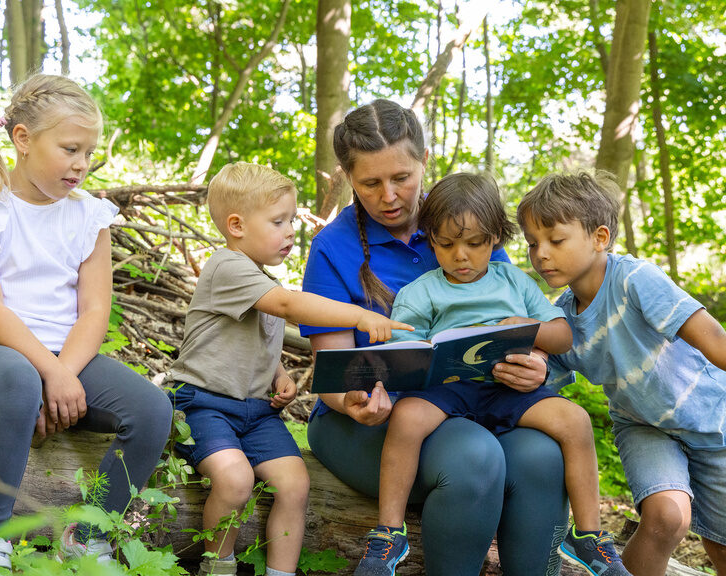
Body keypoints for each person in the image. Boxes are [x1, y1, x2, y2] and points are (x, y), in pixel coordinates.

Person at [300, 99, 570, 576]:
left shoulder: (465, 222)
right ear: (346, 178)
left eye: (401, 177)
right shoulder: (332, 249)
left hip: (479, 400)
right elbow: (333, 376)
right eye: (370, 183)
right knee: (473, 455)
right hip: (366, 422)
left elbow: (520, 322)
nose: (389, 196)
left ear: (424, 162)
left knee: (542, 456)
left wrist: (533, 366)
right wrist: (356, 401)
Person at [352, 172, 631, 576]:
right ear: (431, 239)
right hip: (447, 391)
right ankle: (388, 535)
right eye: (446, 244)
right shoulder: (422, 291)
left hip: (509, 388)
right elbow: (404, 350)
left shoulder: (516, 282)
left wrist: (526, 326)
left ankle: (588, 536)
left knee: (576, 420)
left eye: (475, 243)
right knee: (408, 417)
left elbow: (563, 335)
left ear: (496, 238)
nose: (460, 256)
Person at [0, 74, 173, 569]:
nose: (81, 165)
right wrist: (48, 374)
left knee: (152, 408)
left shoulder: (91, 216)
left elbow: (95, 311)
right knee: (17, 379)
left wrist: (64, 372)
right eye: (71, 149)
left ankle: (91, 533)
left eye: (89, 153)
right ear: (23, 139)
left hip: (70, 354)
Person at [167, 162, 412, 576]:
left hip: (255, 412)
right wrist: (358, 315)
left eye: (291, 221)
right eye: (278, 222)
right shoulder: (226, 267)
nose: (289, 232)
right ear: (236, 225)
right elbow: (286, 305)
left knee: (296, 484)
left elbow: (250, 339)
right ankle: (218, 569)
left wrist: (278, 372)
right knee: (235, 481)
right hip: (203, 404)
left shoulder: (258, 278)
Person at [518, 170, 726, 576]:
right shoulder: (560, 320)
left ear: (600, 238)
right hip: (644, 427)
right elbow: (545, 373)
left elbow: (714, 339)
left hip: (712, 420)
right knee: (667, 517)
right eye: (531, 244)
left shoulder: (635, 280)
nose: (540, 253)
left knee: (721, 548)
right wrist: (530, 369)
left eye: (555, 240)